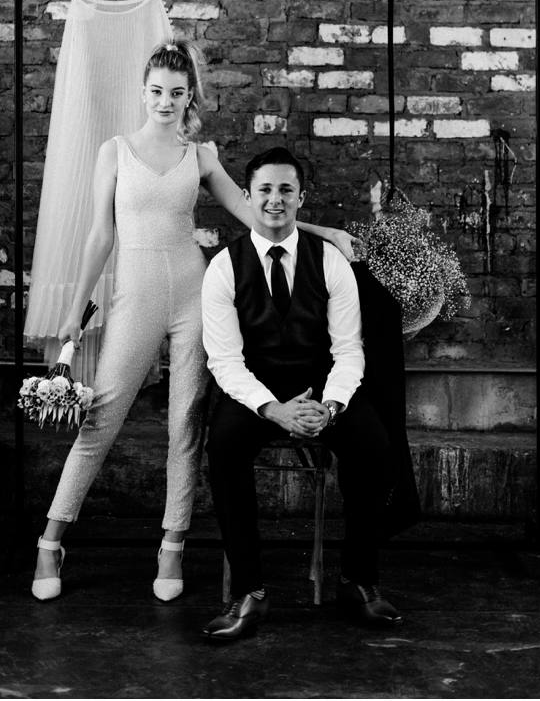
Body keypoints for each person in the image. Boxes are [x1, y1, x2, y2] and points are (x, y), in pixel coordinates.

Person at [32, 42, 355, 604]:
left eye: (176, 93)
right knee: (102, 416)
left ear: (190, 98)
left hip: (192, 295)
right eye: (157, 91)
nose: (165, 101)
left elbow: (254, 212)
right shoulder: (115, 151)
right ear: (143, 92)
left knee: (186, 425)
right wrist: (74, 310)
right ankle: (50, 541)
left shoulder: (200, 156)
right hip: (135, 297)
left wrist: (323, 233)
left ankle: (172, 545)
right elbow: (100, 235)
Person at [200, 146, 403, 641]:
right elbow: (224, 362)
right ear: (247, 196)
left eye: (286, 190)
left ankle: (358, 581)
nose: (275, 200)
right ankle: (249, 592)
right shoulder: (223, 267)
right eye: (265, 190)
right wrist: (273, 409)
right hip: (256, 393)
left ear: (301, 198)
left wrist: (329, 407)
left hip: (320, 390)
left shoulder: (330, 261)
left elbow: (349, 350)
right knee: (222, 447)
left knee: (375, 445)